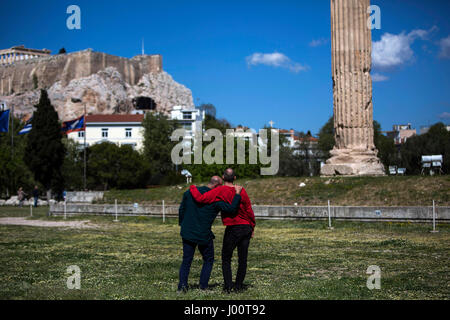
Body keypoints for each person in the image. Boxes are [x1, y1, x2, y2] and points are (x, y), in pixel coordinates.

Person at [189, 168, 255, 293]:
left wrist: (192, 187)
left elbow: (201, 199)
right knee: (243, 259)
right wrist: (252, 226)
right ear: (235, 178)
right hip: (246, 227)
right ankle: (239, 286)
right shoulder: (241, 190)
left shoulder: (219, 190)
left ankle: (228, 286)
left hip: (233, 227)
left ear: (223, 178)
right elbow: (248, 209)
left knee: (226, 258)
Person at [178, 175, 243, 292]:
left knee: (186, 260)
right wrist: (237, 194)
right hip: (204, 234)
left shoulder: (189, 193)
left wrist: (183, 225)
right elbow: (232, 209)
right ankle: (203, 286)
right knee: (208, 259)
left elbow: (181, 210)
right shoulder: (216, 200)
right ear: (217, 186)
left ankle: (182, 286)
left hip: (187, 232)